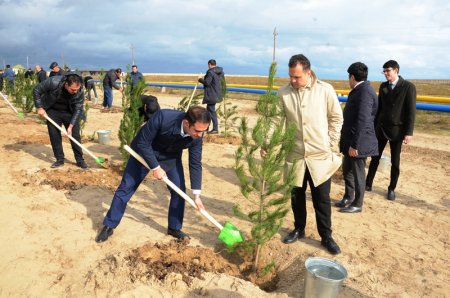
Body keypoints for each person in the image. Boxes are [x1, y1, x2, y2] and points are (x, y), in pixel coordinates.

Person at [95, 106, 211, 243]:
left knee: (179, 191)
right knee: (126, 187)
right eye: (197, 131)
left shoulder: (198, 136)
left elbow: (195, 162)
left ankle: (174, 228)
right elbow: (143, 143)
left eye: (204, 131)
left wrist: (197, 195)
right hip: (144, 152)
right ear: (186, 123)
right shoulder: (164, 117)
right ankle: (109, 225)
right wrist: (155, 167)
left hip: (170, 156)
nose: (200, 135)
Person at [272, 54, 343, 254]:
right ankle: (299, 228)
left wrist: (330, 144)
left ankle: (326, 236)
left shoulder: (324, 90)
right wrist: (268, 142)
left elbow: (336, 118)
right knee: (297, 196)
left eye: (297, 77)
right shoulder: (283, 93)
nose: (293, 81)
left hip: (320, 156)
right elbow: (276, 122)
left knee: (321, 198)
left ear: (308, 73)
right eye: (290, 77)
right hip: (295, 155)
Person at [365, 60, 416, 201]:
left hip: (397, 131)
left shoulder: (408, 87)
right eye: (384, 71)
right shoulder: (383, 86)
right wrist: (372, 127)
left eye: (388, 71)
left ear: (396, 70)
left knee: (395, 162)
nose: (385, 74)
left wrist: (409, 132)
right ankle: (368, 183)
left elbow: (411, 111)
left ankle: (391, 188)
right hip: (381, 128)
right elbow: (379, 108)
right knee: (374, 157)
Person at [335, 62, 378, 213]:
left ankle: (357, 203)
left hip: (358, 142)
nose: (348, 80)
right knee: (347, 169)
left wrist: (355, 145)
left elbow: (363, 120)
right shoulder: (360, 89)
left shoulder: (364, 91)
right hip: (351, 140)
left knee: (358, 173)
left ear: (352, 76)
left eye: (349, 77)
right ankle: (348, 196)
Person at [33, 72, 88, 169]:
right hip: (53, 111)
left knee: (75, 136)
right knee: (54, 135)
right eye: (73, 89)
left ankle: (80, 160)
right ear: (66, 84)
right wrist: (39, 107)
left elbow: (78, 109)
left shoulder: (79, 91)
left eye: (77, 89)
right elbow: (37, 90)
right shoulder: (53, 81)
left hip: (70, 112)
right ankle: (59, 159)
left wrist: (70, 126)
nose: (75, 91)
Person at [198, 59, 224, 134]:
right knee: (208, 111)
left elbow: (207, 83)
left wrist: (200, 79)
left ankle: (215, 129)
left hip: (212, 94)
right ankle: (206, 127)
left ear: (209, 64)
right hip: (217, 94)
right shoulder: (220, 72)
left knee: (211, 111)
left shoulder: (210, 72)